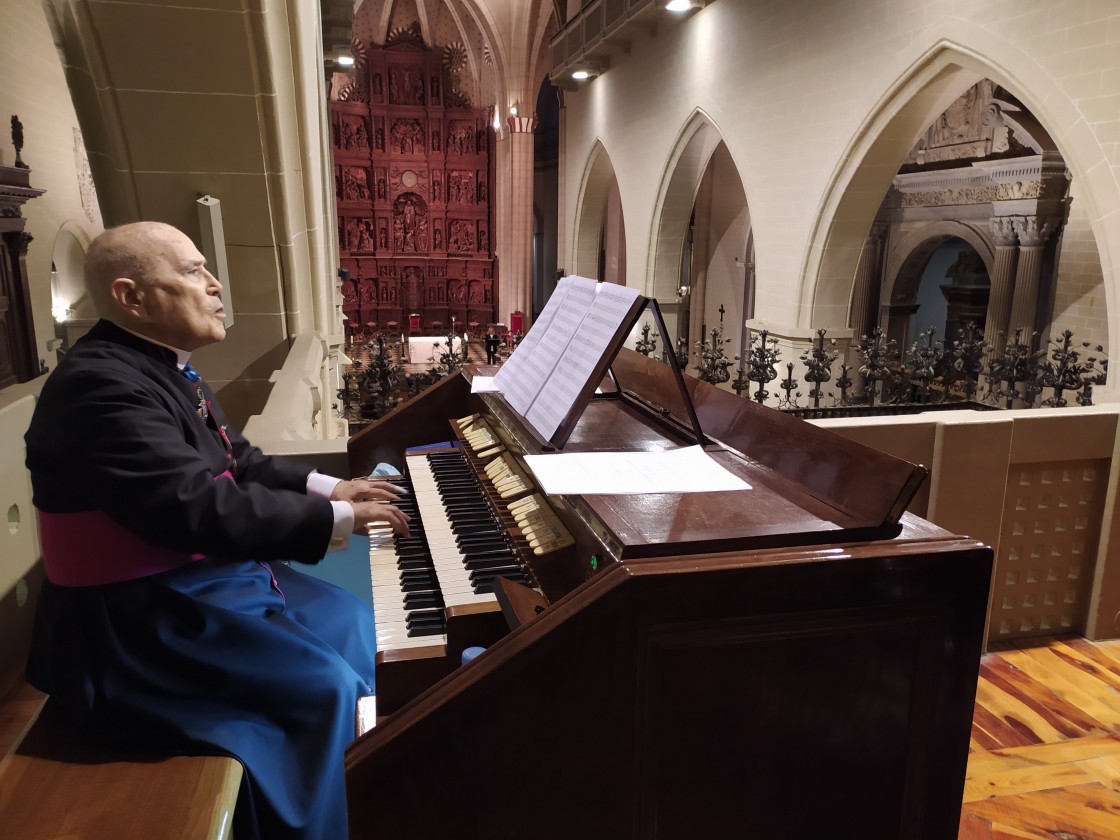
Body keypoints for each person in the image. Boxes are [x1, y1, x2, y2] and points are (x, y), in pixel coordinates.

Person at [24, 222, 410, 840]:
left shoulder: (160, 367)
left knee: (352, 620)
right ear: (132, 297)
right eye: (192, 272)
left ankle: (352, 796)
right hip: (134, 620)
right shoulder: (101, 387)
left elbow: (237, 460)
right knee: (324, 687)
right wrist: (339, 520)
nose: (215, 285)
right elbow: (196, 509)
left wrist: (332, 488)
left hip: (195, 578)